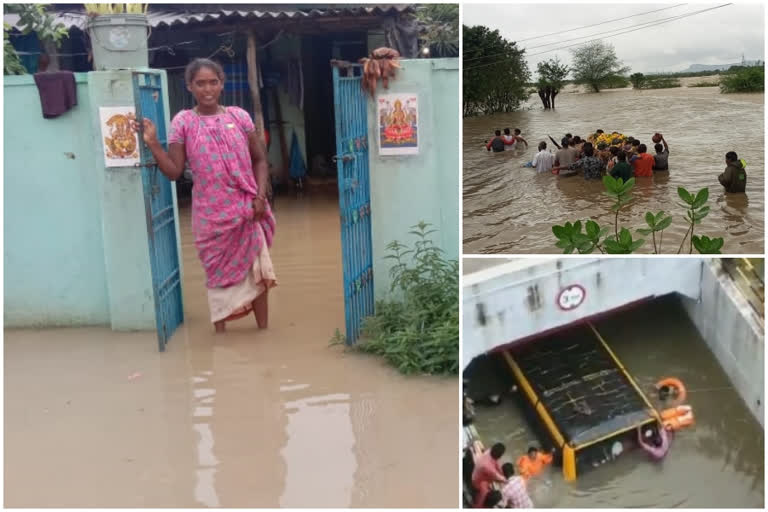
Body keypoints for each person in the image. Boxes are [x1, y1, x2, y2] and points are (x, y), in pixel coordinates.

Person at [136, 58, 276, 333]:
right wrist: (153, 143)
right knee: (217, 276)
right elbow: (175, 172)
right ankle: (220, 336)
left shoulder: (239, 117)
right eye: (200, 83)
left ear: (222, 84)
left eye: (213, 82)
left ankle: (263, 332)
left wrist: (260, 198)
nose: (207, 89)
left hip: (247, 209)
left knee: (257, 272)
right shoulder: (183, 122)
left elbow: (260, 160)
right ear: (190, 86)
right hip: (210, 219)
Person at [472, 442, 507, 508]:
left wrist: (501, 472)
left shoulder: (489, 451)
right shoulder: (488, 467)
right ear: (500, 455)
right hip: (477, 481)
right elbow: (497, 477)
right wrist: (506, 480)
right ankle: (478, 506)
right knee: (484, 493)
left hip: (479, 473)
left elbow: (496, 463)